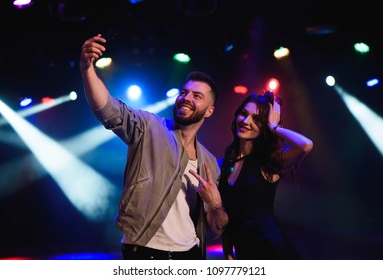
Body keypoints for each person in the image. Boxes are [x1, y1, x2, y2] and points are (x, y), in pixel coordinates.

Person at [79, 34, 228, 260]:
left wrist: (216, 206)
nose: (187, 98)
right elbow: (108, 110)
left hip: (190, 255)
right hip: (144, 252)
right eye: (184, 92)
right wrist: (87, 69)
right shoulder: (149, 127)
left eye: (197, 96)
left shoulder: (209, 162)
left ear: (209, 111)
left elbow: (215, 230)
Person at [218, 92, 313, 260]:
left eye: (257, 119)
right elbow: (229, 213)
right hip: (243, 252)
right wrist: (227, 252)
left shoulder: (269, 160)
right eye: (243, 114)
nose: (246, 121)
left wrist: (274, 127)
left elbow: (305, 145)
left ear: (264, 126)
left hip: (271, 251)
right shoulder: (224, 163)